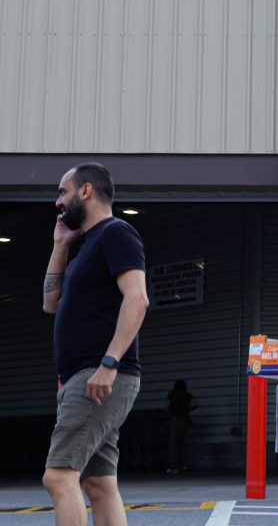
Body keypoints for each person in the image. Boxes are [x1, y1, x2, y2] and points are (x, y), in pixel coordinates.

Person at [41, 163, 149, 526]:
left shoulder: (116, 234)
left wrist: (109, 363)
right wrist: (60, 245)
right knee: (98, 482)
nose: (58, 201)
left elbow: (137, 299)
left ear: (86, 191)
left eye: (63, 191)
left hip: (99, 374)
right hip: (85, 376)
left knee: (58, 477)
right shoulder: (86, 246)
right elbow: (50, 303)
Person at [166, 380, 199, 473]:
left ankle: (174, 467)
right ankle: (182, 465)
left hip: (175, 420)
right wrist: (189, 408)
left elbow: (167, 406)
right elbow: (196, 404)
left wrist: (168, 415)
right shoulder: (187, 394)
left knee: (173, 444)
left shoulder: (172, 394)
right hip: (185, 420)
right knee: (182, 444)